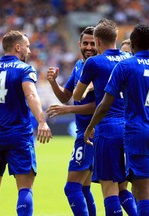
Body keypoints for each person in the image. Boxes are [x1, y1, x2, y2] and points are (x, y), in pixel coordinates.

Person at [83, 23, 149, 216]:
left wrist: (91, 126)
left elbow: (104, 105)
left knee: (142, 193)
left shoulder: (125, 66)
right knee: (146, 187)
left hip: (136, 133)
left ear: (134, 44)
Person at [0, 30, 52, 216]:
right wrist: (42, 121)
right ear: (18, 47)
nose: (28, 50)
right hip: (18, 135)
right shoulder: (24, 69)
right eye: (27, 46)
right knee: (25, 187)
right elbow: (31, 94)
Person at [73, 18, 137, 216]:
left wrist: (90, 87)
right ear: (117, 38)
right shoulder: (129, 59)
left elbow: (76, 96)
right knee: (125, 187)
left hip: (108, 129)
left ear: (98, 41)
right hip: (132, 128)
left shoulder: (93, 62)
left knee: (109, 188)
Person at [46, 26, 97, 216]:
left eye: (93, 43)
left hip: (91, 133)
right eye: (86, 43)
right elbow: (66, 95)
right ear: (79, 44)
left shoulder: (99, 67)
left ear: (99, 43)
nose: (89, 47)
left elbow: (100, 105)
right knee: (84, 188)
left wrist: (68, 109)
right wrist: (53, 82)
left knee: (72, 188)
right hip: (85, 132)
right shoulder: (79, 66)